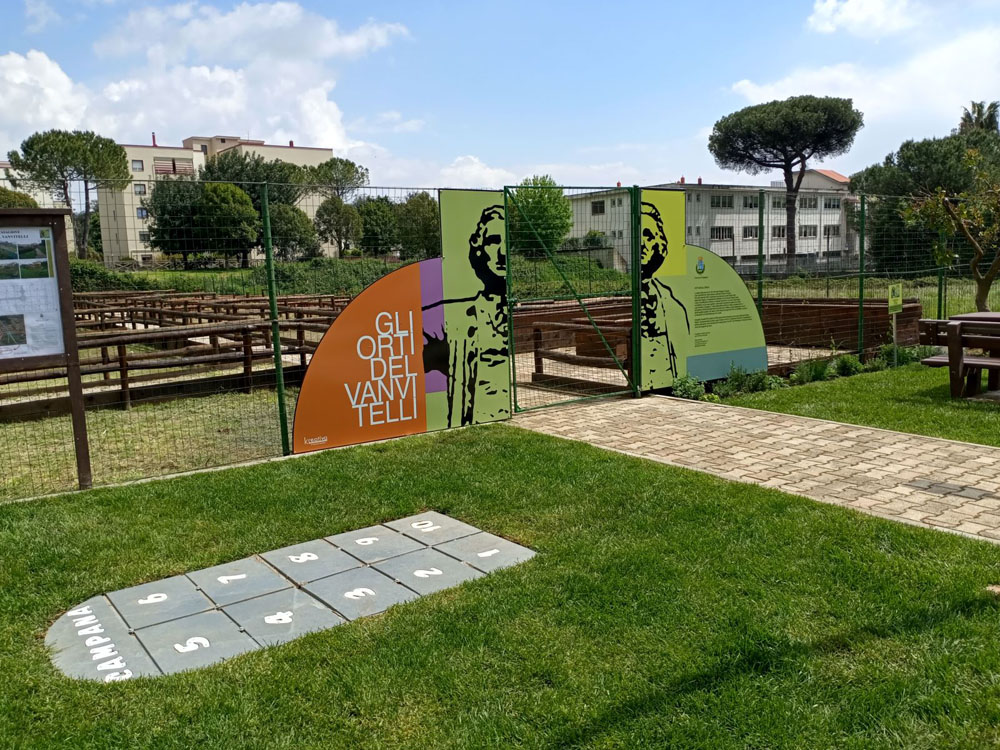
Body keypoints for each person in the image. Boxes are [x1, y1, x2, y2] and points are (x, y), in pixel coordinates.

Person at [423, 205, 509, 426]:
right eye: (493, 241)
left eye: (506, 242)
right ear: (479, 250)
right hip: (472, 418)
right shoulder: (447, 317)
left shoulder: (508, 311)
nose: (502, 252)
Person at [640, 201, 690, 381]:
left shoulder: (673, 305)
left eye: (648, 236)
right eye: (638, 236)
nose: (642, 243)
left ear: (659, 243)